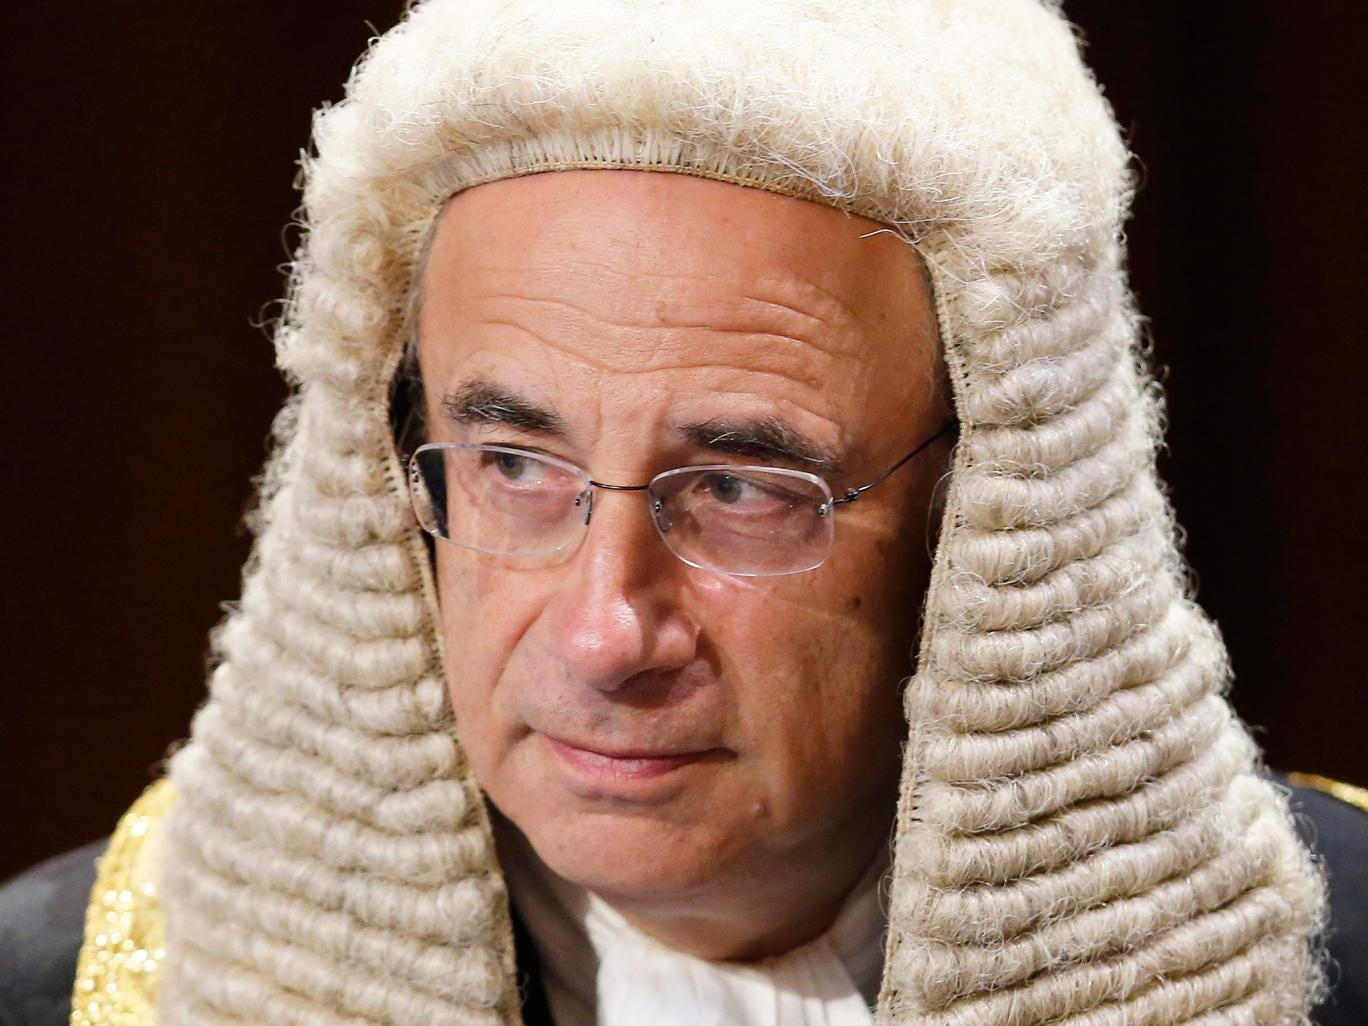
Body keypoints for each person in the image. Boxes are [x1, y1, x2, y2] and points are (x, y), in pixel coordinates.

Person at [2, 1, 1365, 1025]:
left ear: (999, 520)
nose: (605, 633)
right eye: (514, 465)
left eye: (740, 489)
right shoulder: (65, 984)